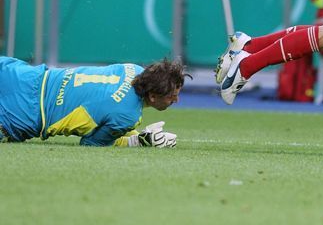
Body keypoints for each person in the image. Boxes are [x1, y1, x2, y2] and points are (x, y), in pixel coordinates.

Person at [0, 57, 188, 147]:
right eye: (172, 96)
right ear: (153, 96)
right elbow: (91, 143)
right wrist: (139, 141)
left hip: (27, 75)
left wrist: (137, 134)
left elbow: (107, 103)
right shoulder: (127, 116)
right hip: (26, 113)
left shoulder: (133, 68)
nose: (176, 100)